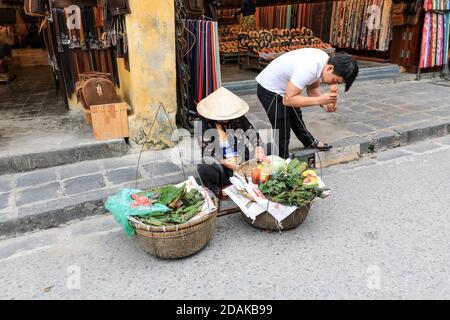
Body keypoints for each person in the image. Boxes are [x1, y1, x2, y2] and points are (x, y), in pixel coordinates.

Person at [256, 49, 359, 158]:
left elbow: (312, 88)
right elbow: (288, 100)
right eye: (335, 80)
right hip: (270, 88)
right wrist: (320, 100)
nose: (333, 84)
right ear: (330, 68)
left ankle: (309, 141)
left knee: (296, 116)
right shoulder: (309, 68)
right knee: (282, 126)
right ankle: (282, 161)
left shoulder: (324, 62)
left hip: (287, 89)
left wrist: (324, 104)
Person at [196, 87, 267, 198]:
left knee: (269, 148)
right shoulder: (204, 124)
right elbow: (207, 151)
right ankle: (216, 190)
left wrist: (259, 147)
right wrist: (226, 162)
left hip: (242, 162)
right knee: (205, 165)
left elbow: (252, 133)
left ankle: (249, 181)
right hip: (223, 167)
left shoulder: (237, 118)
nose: (228, 119)